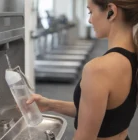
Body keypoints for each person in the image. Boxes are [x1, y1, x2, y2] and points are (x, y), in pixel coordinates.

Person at [26, 0, 138, 139]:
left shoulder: (99, 69)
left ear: (111, 11)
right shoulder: (133, 57)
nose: (90, 20)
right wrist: (49, 105)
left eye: (91, 12)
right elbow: (102, 113)